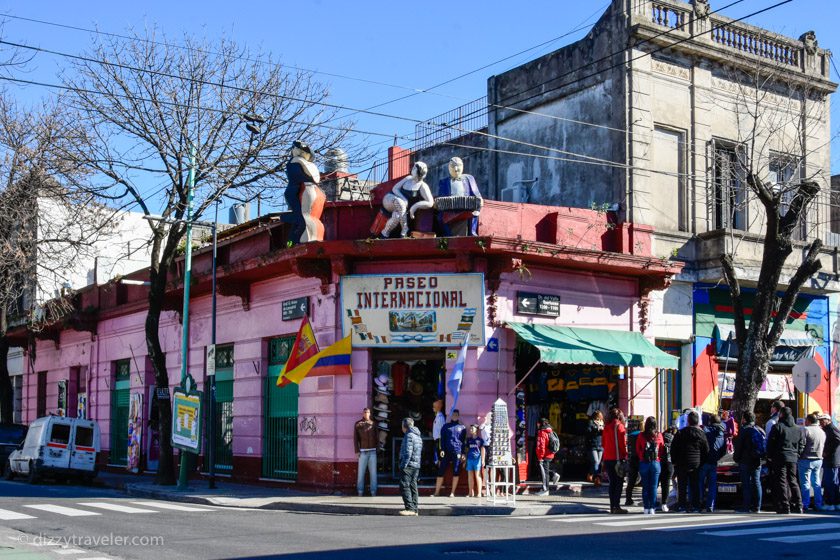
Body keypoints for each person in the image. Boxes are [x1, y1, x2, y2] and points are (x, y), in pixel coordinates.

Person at [380, 161, 434, 238]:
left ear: (420, 172)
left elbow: (430, 202)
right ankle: (405, 229)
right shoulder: (408, 178)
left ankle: (384, 233)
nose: (412, 169)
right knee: (401, 203)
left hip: (402, 209)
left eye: (415, 168)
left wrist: (414, 207)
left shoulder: (423, 186)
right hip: (390, 199)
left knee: (397, 216)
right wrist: (403, 198)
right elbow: (395, 189)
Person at [767, 407, 805, 514]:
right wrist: (797, 454)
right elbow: (801, 444)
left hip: (780, 457)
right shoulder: (798, 429)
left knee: (782, 481)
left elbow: (771, 443)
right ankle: (799, 505)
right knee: (793, 481)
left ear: (781, 415)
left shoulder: (778, 427)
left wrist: (770, 456)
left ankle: (785, 505)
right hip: (793, 457)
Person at [670, 410, 709, 513]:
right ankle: (695, 505)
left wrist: (674, 461)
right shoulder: (701, 434)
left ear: (688, 421)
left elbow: (673, 448)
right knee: (695, 485)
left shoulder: (681, 433)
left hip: (682, 462)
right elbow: (706, 450)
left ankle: (682, 505)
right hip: (696, 463)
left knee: (682, 486)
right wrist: (702, 462)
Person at [733, 411, 765, 513]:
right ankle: (757, 507)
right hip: (756, 461)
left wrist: (736, 458)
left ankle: (746, 506)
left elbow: (739, 447)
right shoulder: (759, 430)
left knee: (746, 484)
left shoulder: (744, 431)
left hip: (745, 461)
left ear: (745, 419)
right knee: (756, 482)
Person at [636, 416, 665, 515]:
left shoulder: (641, 435)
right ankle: (652, 507)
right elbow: (661, 449)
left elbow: (638, 449)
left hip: (644, 462)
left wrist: (642, 457)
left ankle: (646, 507)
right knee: (653, 486)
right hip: (655, 462)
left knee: (645, 486)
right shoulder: (659, 435)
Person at [435, 409, 466, 497]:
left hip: (457, 452)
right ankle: (436, 492)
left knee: (456, 471)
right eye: (453, 414)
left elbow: (463, 441)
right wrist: (442, 450)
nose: (455, 415)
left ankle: (452, 492)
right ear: (451, 415)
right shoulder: (445, 426)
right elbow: (442, 440)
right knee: (441, 470)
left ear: (458, 415)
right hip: (446, 452)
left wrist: (463, 453)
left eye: (456, 414)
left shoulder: (462, 427)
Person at [603, 408, 629, 514]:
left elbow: (603, 444)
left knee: (612, 483)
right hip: (617, 459)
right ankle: (616, 506)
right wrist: (626, 455)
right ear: (619, 416)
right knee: (618, 483)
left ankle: (612, 506)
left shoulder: (606, 427)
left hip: (608, 458)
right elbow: (623, 444)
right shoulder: (620, 426)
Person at [798, 413, 825, 511]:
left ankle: (805, 503)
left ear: (808, 421)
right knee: (816, 482)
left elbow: (802, 444)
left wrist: (799, 455)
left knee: (805, 482)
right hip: (818, 459)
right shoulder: (822, 431)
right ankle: (818, 503)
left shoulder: (806, 430)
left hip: (806, 458)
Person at [700, 414, 726, 512]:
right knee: (712, 485)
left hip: (704, 461)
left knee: (700, 483)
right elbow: (724, 449)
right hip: (714, 462)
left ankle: (699, 502)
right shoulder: (721, 433)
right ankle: (710, 505)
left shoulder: (705, 431)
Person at [398, 417, 423, 516]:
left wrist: (403, 465)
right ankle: (415, 508)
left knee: (404, 485)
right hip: (416, 465)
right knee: (413, 485)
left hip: (409, 465)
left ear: (405, 426)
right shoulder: (418, 436)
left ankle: (409, 508)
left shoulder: (409, 436)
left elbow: (408, 452)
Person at [354, 407, 379, 497]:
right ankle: (360, 491)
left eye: (367, 412)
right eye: (364, 412)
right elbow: (355, 438)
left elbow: (377, 438)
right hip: (363, 452)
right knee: (361, 473)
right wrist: (357, 450)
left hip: (372, 452)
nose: (366, 414)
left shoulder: (373, 424)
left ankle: (373, 492)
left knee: (373, 474)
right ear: (362, 413)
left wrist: (378, 449)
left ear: (370, 413)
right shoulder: (358, 424)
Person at [818, 413, 840, 511]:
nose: (821, 422)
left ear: (828, 420)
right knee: (832, 482)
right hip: (832, 460)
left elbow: (837, 440)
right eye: (820, 420)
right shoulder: (828, 429)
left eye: (823, 420)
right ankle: (835, 502)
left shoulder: (831, 429)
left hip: (832, 460)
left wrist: (827, 452)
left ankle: (831, 502)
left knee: (830, 482)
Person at [535, 418, 560, 496]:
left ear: (540, 423)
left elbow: (541, 446)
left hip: (545, 454)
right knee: (544, 470)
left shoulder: (542, 432)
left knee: (544, 473)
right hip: (550, 453)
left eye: (538, 423)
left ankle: (545, 490)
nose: (537, 425)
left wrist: (540, 457)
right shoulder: (550, 430)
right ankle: (553, 474)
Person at [658, 423, 677, 512]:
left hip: (659, 461)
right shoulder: (674, 438)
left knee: (656, 483)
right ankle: (664, 504)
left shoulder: (661, 436)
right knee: (666, 484)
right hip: (669, 463)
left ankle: (653, 502)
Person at [624, 419, 642, 506]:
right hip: (641, 458)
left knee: (631, 480)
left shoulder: (631, 435)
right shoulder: (642, 435)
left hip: (633, 458)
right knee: (645, 480)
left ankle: (628, 498)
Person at [465, 424, 485, 498]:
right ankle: (470, 492)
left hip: (477, 459)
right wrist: (465, 460)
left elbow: (483, 449)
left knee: (477, 475)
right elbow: (467, 450)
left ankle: (479, 493)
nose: (470, 429)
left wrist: (483, 460)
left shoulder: (480, 440)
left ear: (476, 430)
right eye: (470, 428)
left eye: (472, 428)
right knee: (470, 476)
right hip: (470, 459)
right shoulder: (469, 440)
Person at [586, 410, 604, 487]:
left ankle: (590, 474)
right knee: (596, 461)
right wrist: (597, 429)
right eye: (597, 416)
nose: (598, 418)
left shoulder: (602, 423)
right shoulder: (591, 422)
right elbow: (588, 431)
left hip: (601, 445)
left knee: (597, 463)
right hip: (593, 445)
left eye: (600, 416)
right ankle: (597, 479)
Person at [432, 399, 445, 466]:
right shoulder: (437, 417)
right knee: (437, 455)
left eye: (434, 406)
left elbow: (442, 429)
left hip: (439, 440)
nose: (433, 408)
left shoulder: (440, 417)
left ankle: (440, 471)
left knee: (439, 456)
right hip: (436, 439)